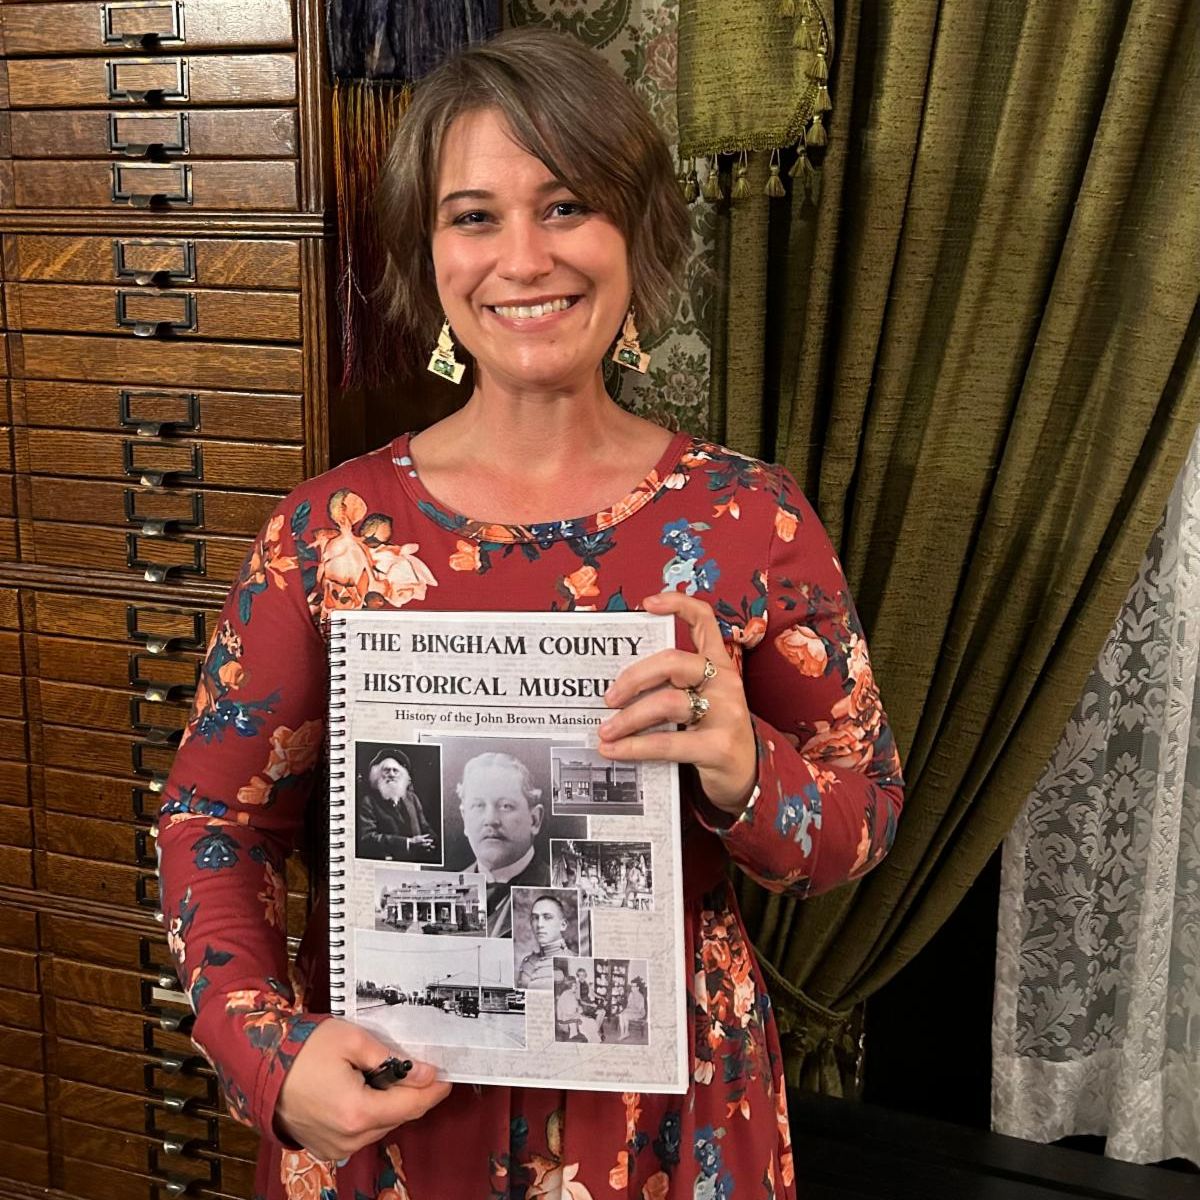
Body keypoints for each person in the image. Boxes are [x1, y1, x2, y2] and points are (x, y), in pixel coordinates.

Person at [155, 26, 904, 1200]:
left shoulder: (749, 518)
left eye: (565, 207)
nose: (523, 258)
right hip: (394, 1119)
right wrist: (262, 1049)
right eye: (473, 215)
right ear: (429, 252)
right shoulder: (323, 538)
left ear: (638, 232)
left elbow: (861, 821)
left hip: (670, 1125)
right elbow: (214, 821)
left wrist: (743, 769)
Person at [453, 750, 548, 936]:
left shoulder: (559, 888)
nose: (490, 820)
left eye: (506, 806)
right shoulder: (448, 888)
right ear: (464, 819)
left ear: (535, 820)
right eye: (478, 805)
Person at [356, 749, 438, 862]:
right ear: (377, 776)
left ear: (402, 775)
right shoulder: (369, 802)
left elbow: (425, 827)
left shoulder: (412, 798)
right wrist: (408, 843)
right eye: (386, 770)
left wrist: (430, 842)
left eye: (396, 770)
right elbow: (367, 838)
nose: (391, 774)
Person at [515, 894, 574, 989]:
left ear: (563, 925)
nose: (539, 924)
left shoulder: (573, 959)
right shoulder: (528, 963)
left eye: (547, 917)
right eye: (535, 918)